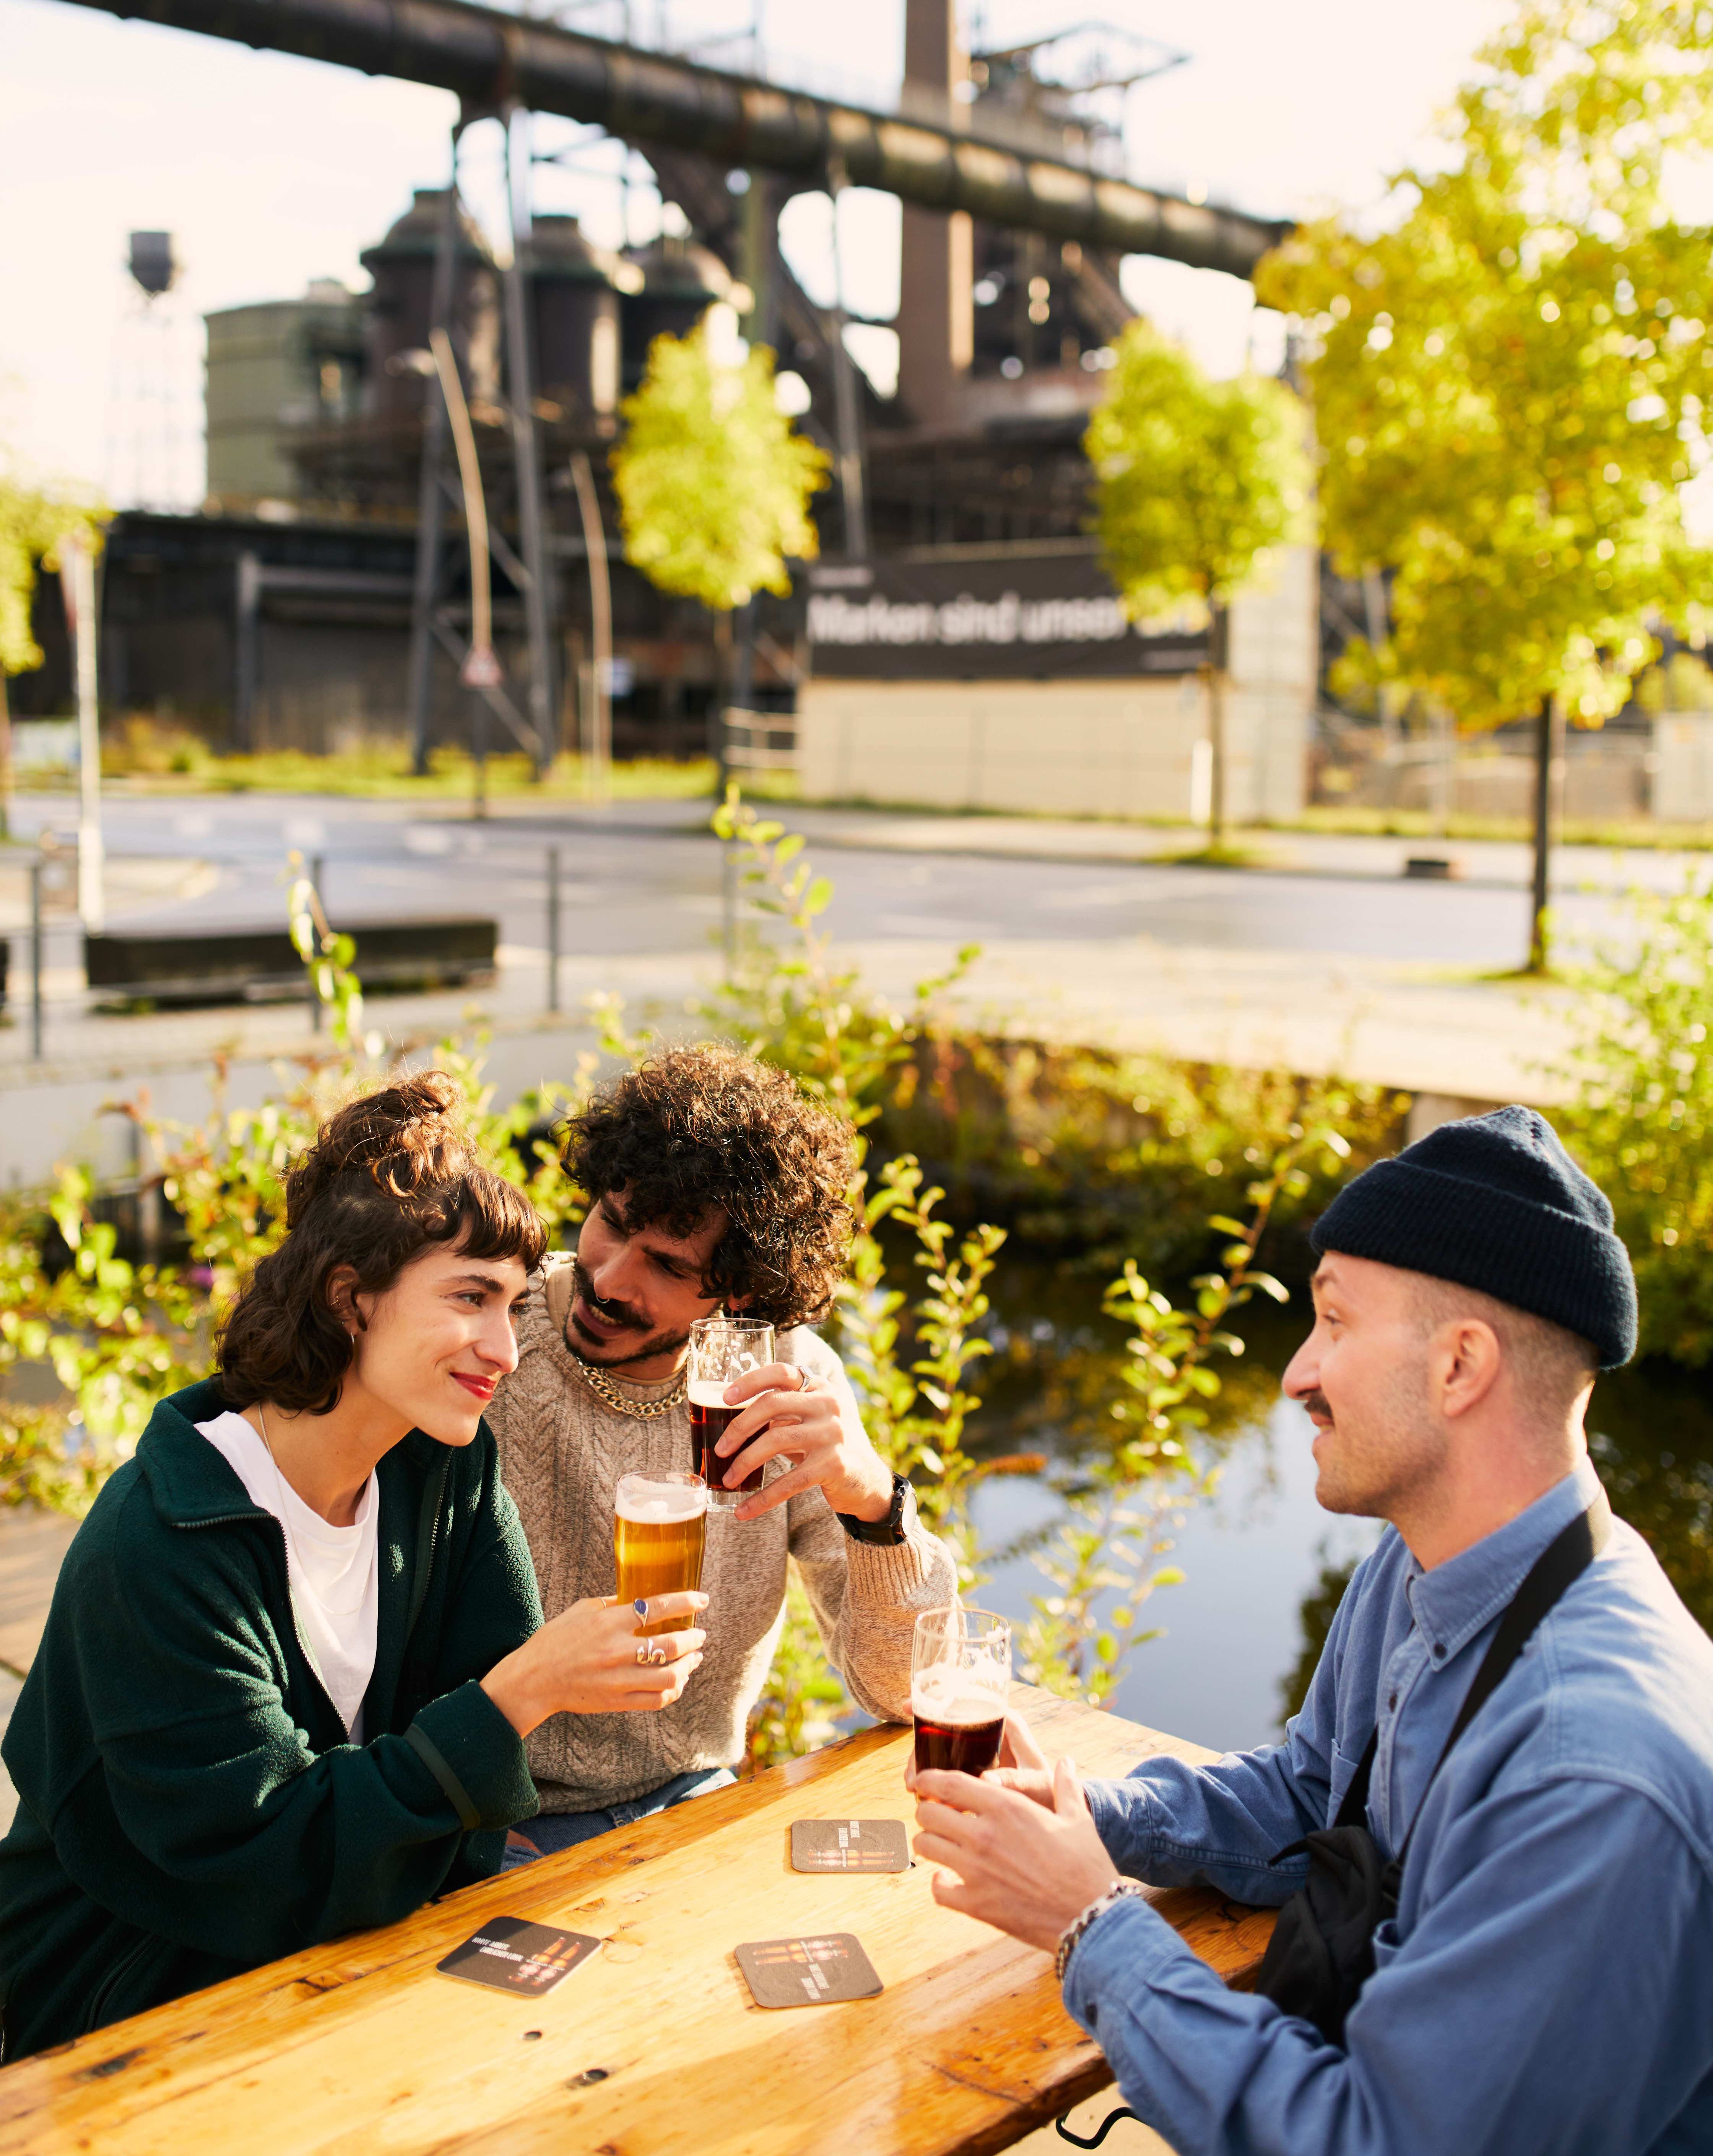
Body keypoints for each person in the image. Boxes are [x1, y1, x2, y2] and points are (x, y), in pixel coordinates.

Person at [910, 1105, 1713, 2155]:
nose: (1295, 1373)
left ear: (1460, 1366)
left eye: (1334, 1321)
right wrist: (1083, 1815)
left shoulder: (1591, 1772)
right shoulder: (1424, 1557)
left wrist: (1089, 1923)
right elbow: (1309, 1794)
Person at [0, 1073, 709, 2060]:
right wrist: (520, 1694)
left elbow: (465, 1805)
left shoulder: (444, 1472)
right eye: (470, 1297)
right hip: (133, 1986)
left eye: (513, 1305)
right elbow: (259, 1859)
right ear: (349, 1297)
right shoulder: (162, 1538)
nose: (505, 1348)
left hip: (354, 1938)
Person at [489, 1042, 957, 1860]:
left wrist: (873, 1500)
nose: (610, 1277)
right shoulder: (493, 1336)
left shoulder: (788, 1383)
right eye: (611, 1222)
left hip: (695, 1802)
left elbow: (911, 1693)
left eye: (667, 1265)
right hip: (498, 1823)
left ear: (740, 1290)